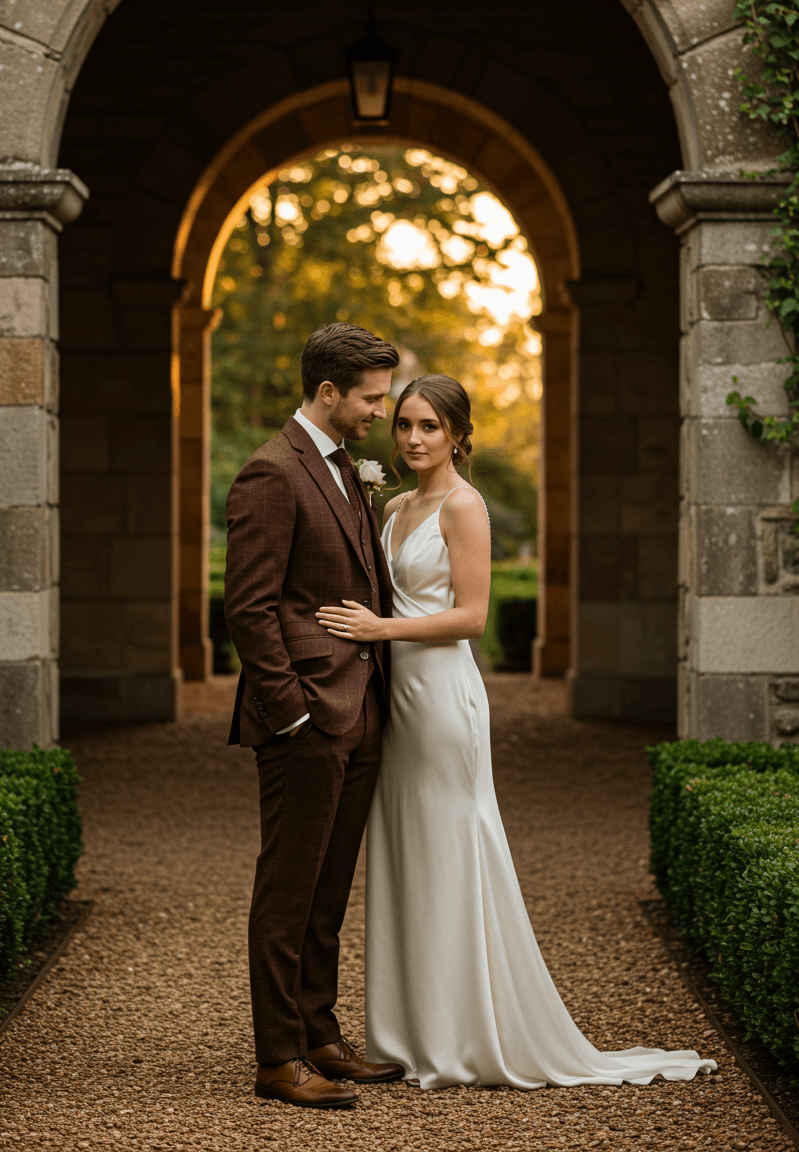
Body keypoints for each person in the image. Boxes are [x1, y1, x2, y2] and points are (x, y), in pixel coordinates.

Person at [316, 374, 717, 1090]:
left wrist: (383, 628)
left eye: (429, 427)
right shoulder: (396, 503)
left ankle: (463, 1034)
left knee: (450, 848)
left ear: (458, 436)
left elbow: (471, 617)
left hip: (440, 699)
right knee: (405, 851)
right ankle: (409, 1030)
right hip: (394, 698)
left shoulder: (465, 506)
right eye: (404, 423)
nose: (411, 437)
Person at [224, 323, 406, 1109]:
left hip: (360, 708)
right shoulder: (271, 473)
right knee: (289, 889)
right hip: (305, 718)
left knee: (329, 888)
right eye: (370, 398)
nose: (381, 412)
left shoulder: (343, 468)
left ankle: (321, 1035)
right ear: (328, 393)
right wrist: (293, 713)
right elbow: (251, 609)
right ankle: (277, 1059)